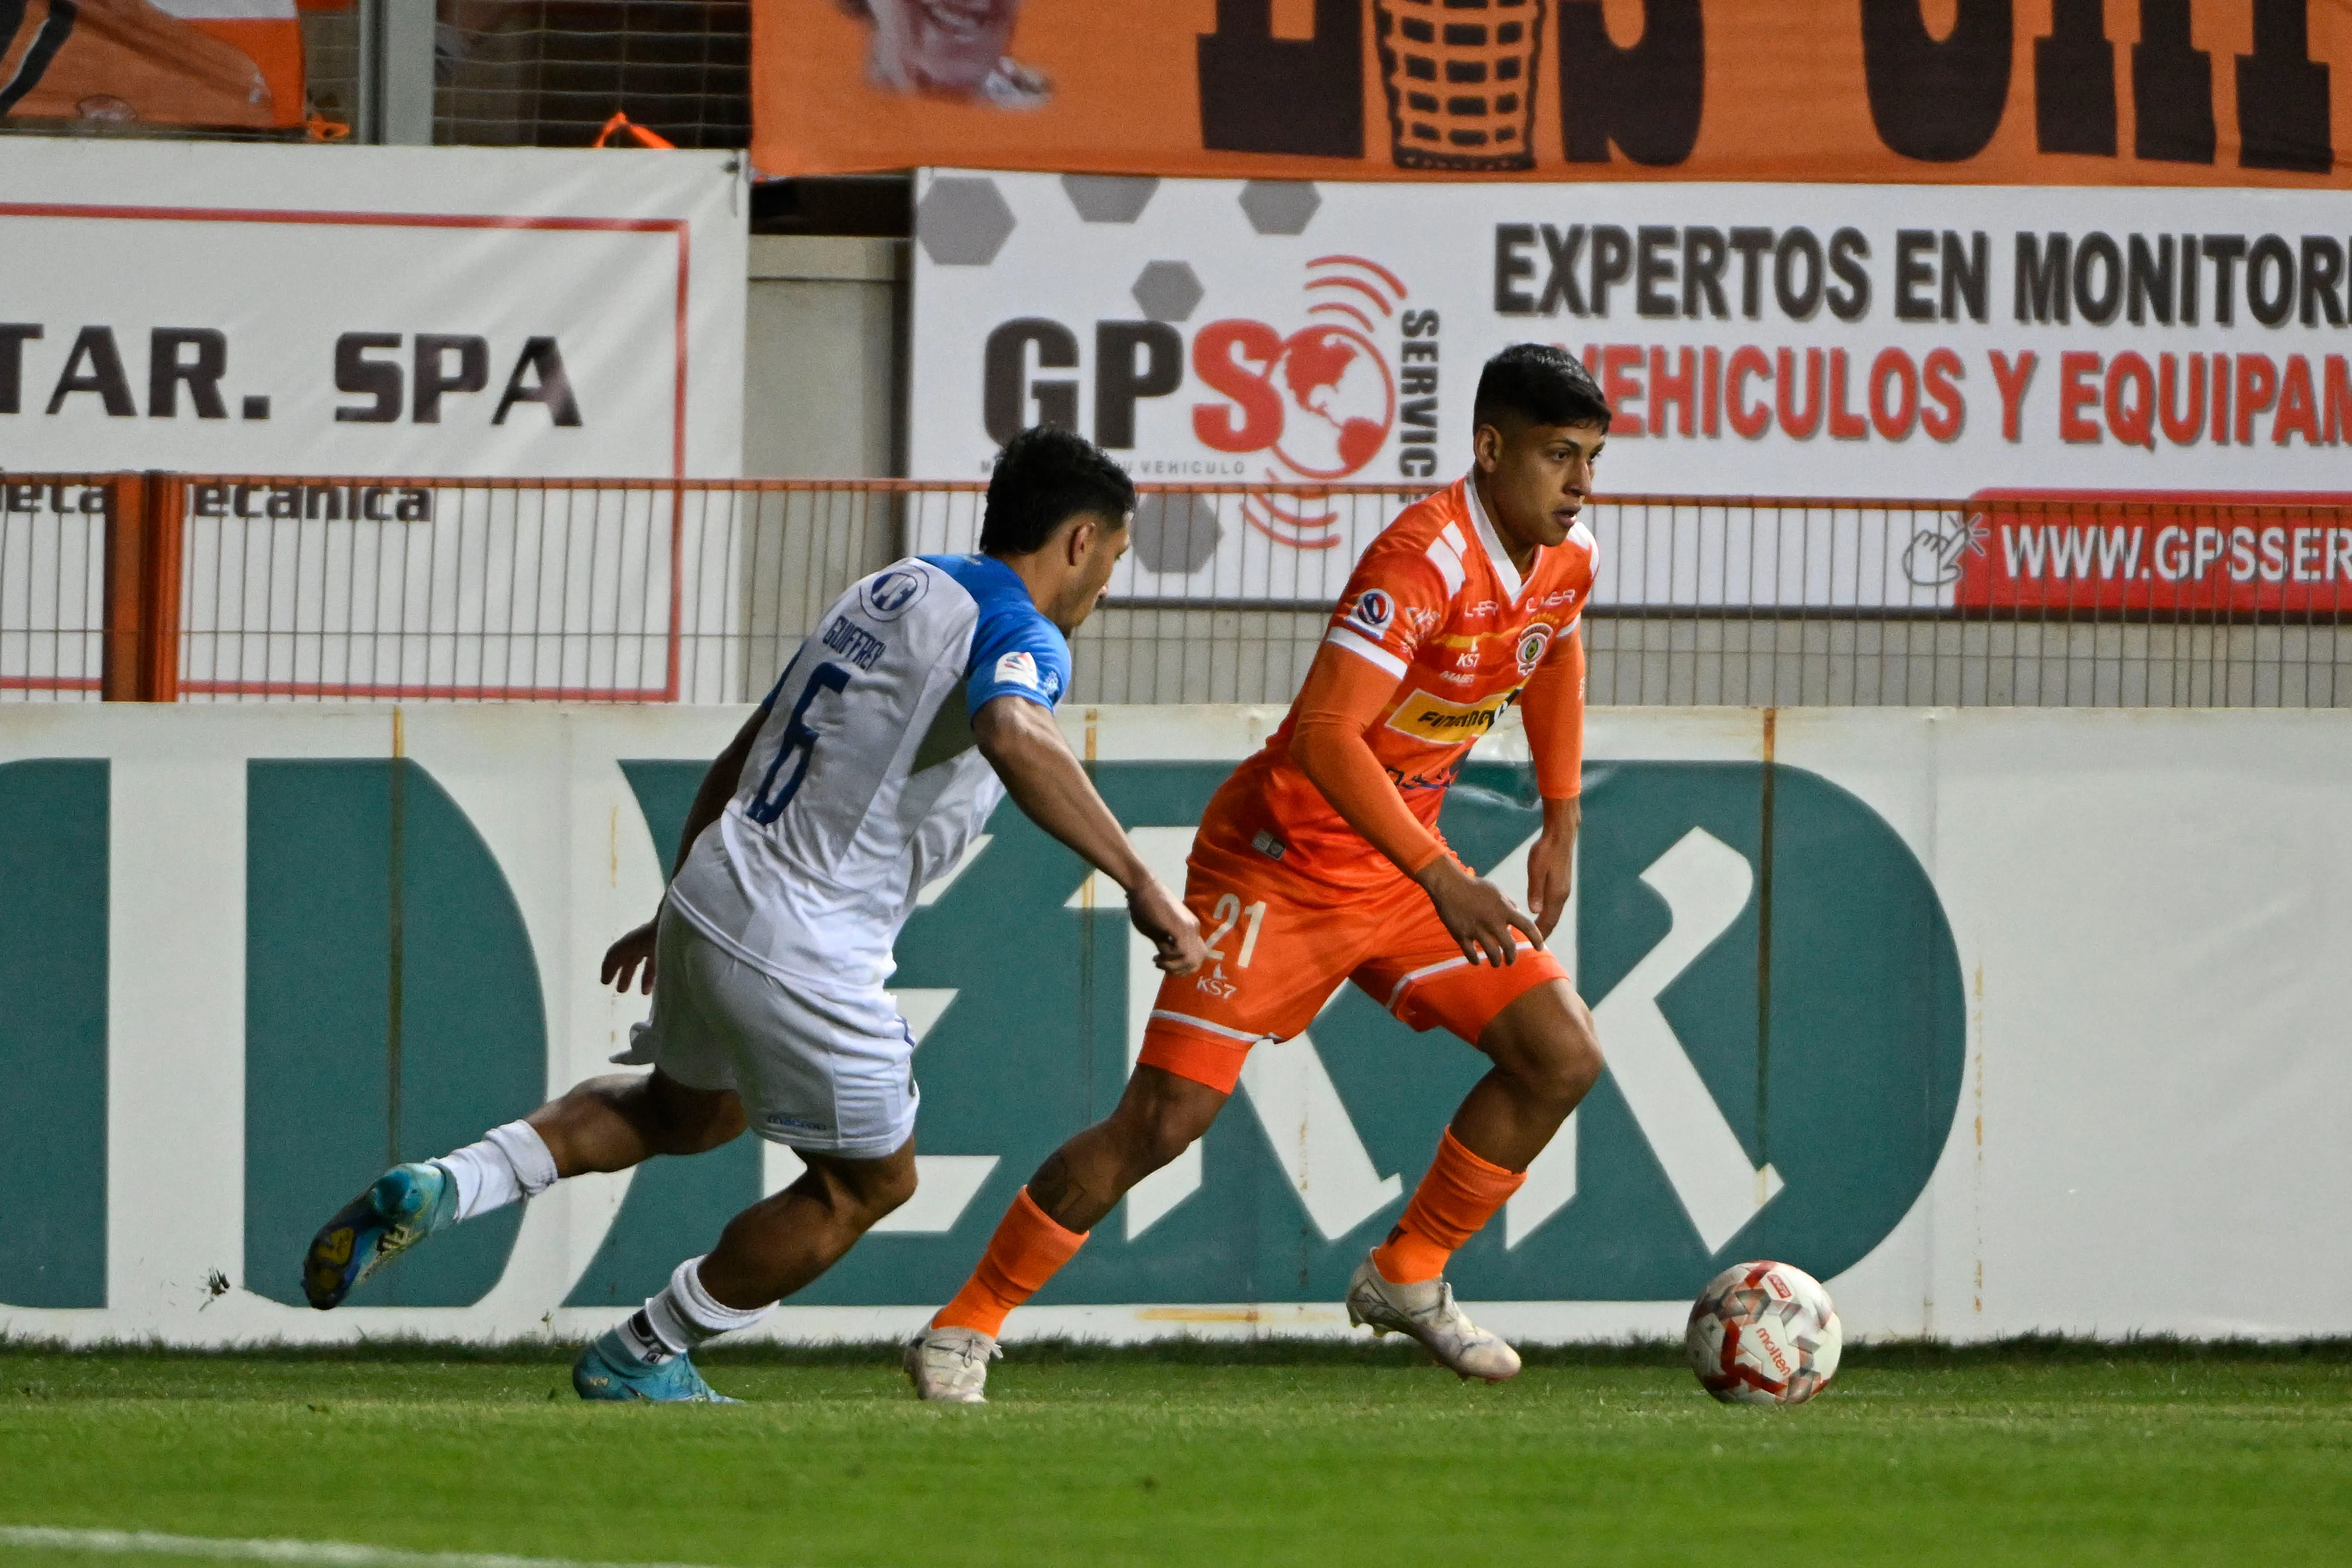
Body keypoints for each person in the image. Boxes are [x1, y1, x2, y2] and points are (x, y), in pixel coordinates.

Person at [301, 425, 1206, 1401]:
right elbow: (1013, 729)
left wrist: (679, 903)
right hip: (805, 938)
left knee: (682, 1114)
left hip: (722, 880)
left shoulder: (895, 586)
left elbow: (755, 740)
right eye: (1112, 561)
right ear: (1079, 542)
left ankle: (447, 1185)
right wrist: (1143, 884)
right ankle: (640, 1354)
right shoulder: (1018, 634)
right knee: (867, 1187)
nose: (1107, 591)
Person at [905, 345, 1611, 1403]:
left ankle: (1408, 1275)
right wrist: (1441, 876)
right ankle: (962, 1327)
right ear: (1489, 447)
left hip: (1396, 869)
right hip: (1281, 860)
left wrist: (1558, 818)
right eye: (1561, 456)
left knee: (1559, 1053)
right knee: (1163, 1123)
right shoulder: (1419, 561)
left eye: (1592, 459)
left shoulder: (1567, 558)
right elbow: (1327, 736)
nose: (1581, 485)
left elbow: (1551, 651)